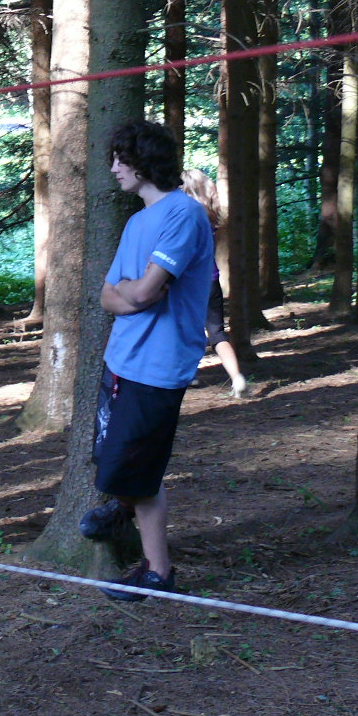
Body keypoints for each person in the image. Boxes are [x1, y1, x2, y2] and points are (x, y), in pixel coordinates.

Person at [78, 120, 213, 601]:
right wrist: (133, 293)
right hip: (121, 358)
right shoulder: (137, 222)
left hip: (159, 365)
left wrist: (133, 293)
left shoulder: (184, 215)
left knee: (138, 469)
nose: (114, 169)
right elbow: (109, 296)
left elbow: (144, 292)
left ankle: (158, 573)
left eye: (121, 160)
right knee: (111, 457)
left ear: (145, 162)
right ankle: (123, 507)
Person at [180, 169, 249, 398]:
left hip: (189, 282)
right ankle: (237, 378)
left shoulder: (184, 215)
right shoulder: (210, 216)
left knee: (183, 327)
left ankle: (190, 373)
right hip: (210, 280)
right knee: (217, 333)